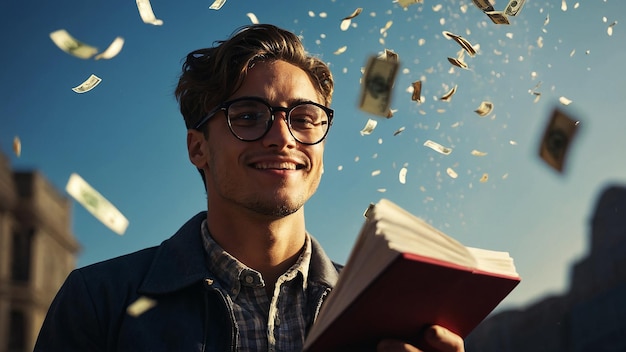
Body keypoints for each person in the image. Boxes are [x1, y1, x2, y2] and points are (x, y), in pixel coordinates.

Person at [34, 24, 465, 352]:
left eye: (304, 117)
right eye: (247, 116)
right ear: (198, 148)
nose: (283, 137)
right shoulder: (99, 303)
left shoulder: (382, 310)